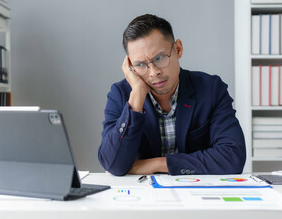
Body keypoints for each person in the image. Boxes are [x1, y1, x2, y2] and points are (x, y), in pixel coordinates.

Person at [98, 14, 246, 176]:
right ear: (130, 66)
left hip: (197, 192)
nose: (154, 72)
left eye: (160, 58)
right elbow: (113, 164)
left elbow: (233, 158)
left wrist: (159, 163)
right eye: (140, 64)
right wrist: (137, 96)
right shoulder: (121, 94)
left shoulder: (210, 89)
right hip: (143, 194)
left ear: (178, 49)